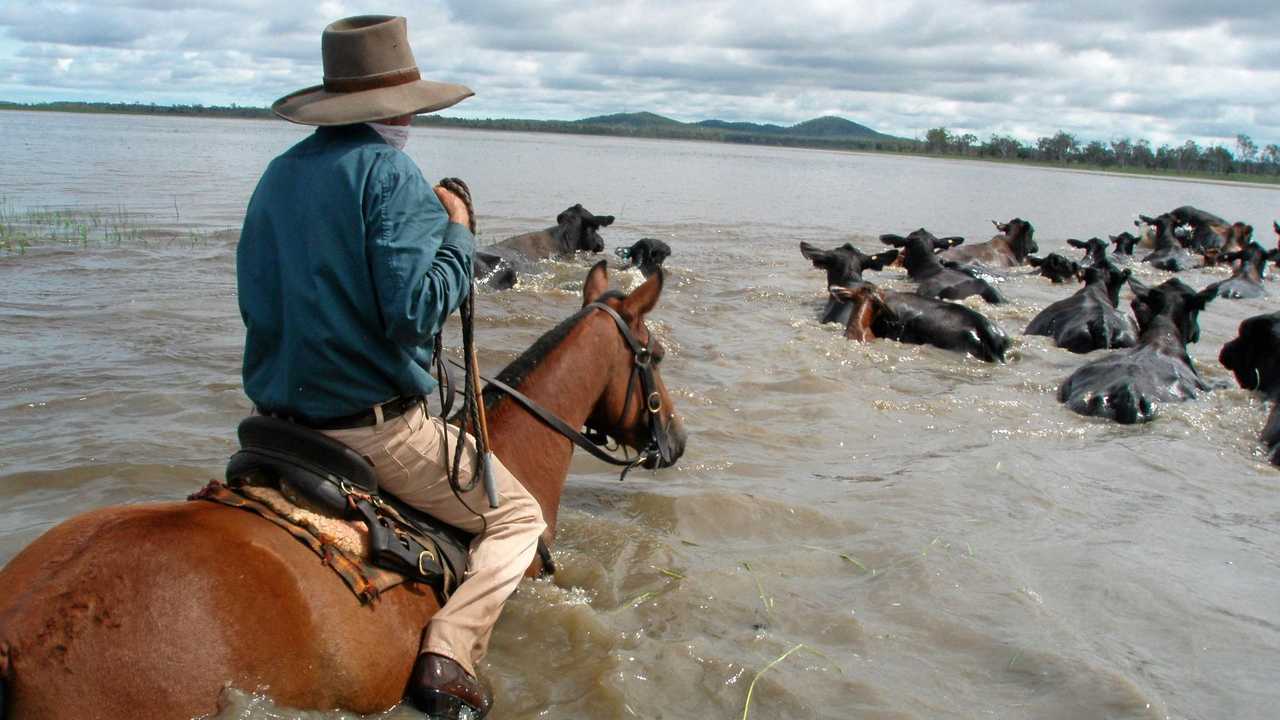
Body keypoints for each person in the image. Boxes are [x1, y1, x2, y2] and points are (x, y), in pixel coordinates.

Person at [236, 14, 546, 719]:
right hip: (368, 431)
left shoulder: (278, 176)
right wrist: (459, 232)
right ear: (398, 104)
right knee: (519, 519)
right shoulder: (390, 172)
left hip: (273, 424)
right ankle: (449, 651)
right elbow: (415, 311)